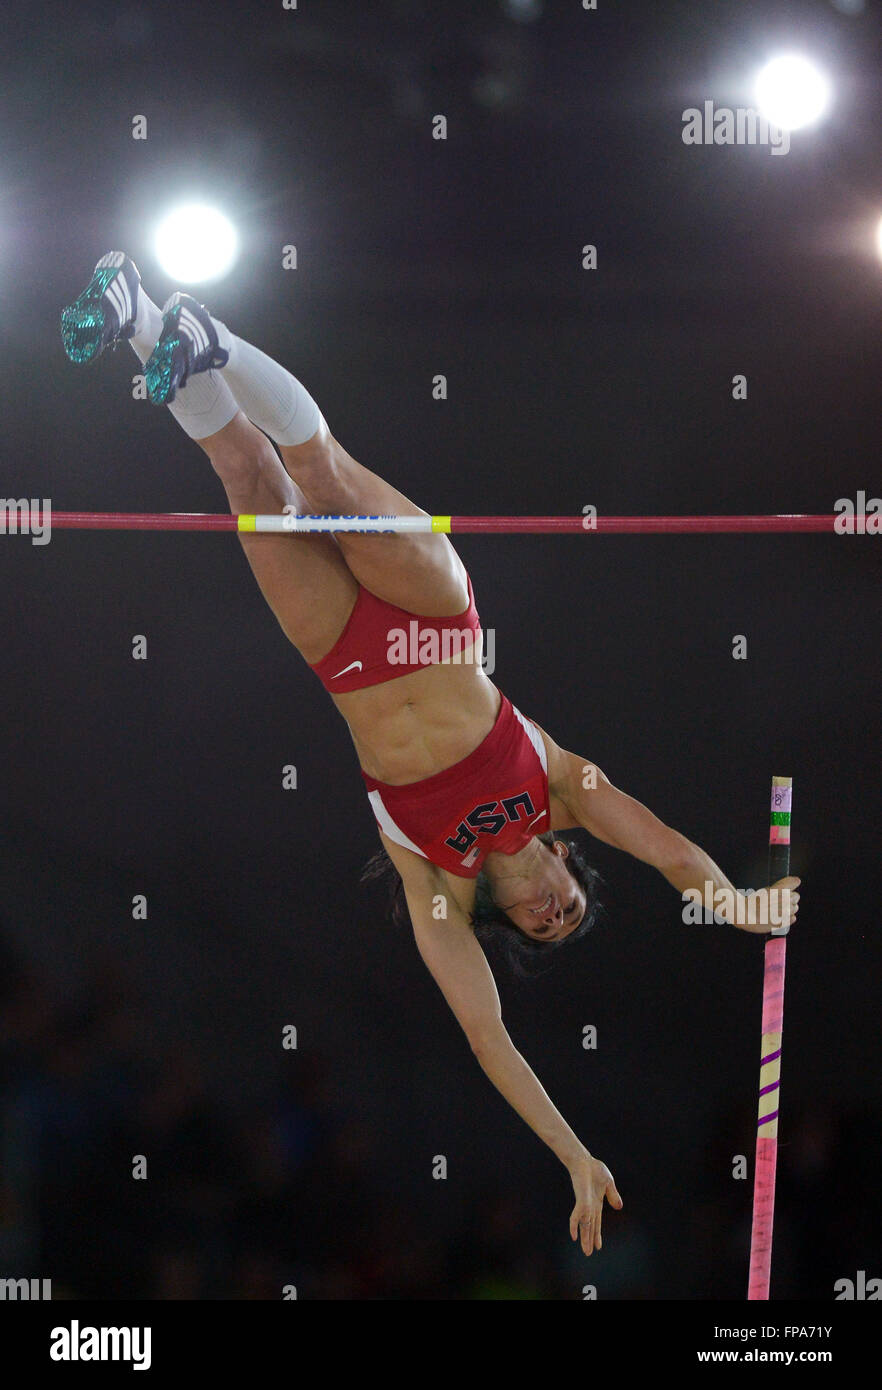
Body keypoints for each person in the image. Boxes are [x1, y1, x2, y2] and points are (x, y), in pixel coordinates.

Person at [61, 253, 801, 1258]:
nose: (556, 909)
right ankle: (215, 339)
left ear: (507, 915)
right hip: (434, 615)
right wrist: (739, 905)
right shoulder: (562, 792)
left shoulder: (437, 881)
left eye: (545, 928)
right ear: (564, 864)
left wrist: (575, 1156)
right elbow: (668, 848)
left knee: (243, 473)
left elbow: (490, 1039)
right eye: (573, 902)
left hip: (343, 656)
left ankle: (140, 311)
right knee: (317, 472)